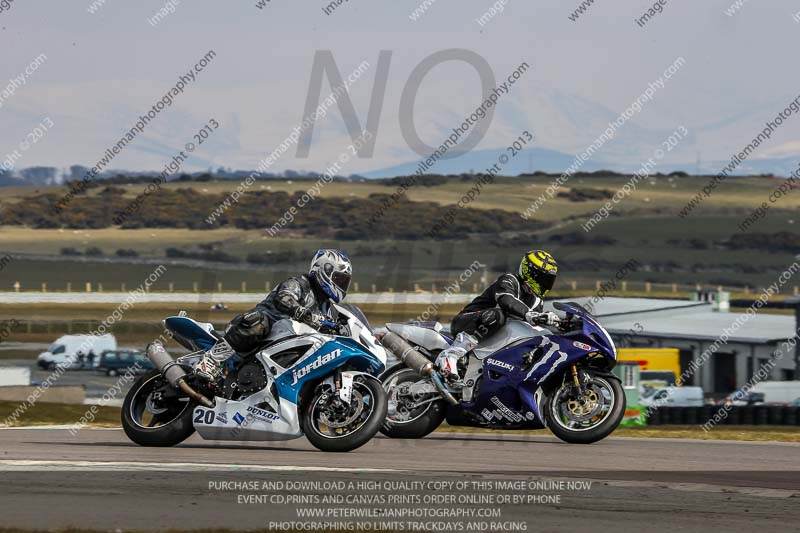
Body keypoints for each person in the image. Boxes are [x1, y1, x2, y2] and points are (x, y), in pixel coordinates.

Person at [195, 249, 353, 381]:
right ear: (324, 270)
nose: (341, 284)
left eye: (344, 280)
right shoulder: (299, 284)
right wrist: (302, 312)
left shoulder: (328, 308)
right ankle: (211, 360)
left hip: (291, 345)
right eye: (338, 278)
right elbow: (284, 298)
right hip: (260, 332)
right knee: (258, 322)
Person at [435, 250, 561, 381]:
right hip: (467, 322)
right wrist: (529, 314)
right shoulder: (510, 280)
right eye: (543, 278)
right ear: (529, 272)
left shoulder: (537, 301)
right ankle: (451, 355)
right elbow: (506, 300)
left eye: (549, 280)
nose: (546, 283)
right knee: (497, 315)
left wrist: (556, 323)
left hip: (494, 337)